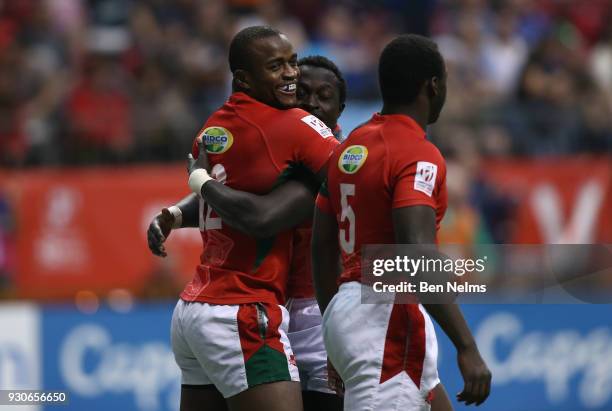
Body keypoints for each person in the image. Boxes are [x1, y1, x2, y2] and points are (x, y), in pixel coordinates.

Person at [149, 26, 339, 411]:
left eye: (291, 63)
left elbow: (233, 193)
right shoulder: (294, 128)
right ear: (244, 78)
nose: (291, 76)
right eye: (276, 67)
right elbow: (355, 182)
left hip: (195, 310)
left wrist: (187, 200)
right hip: (246, 309)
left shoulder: (211, 130)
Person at [311, 34, 491, 411]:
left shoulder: (350, 147)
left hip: (349, 309)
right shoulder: (418, 153)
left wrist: (334, 331)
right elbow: (415, 255)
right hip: (385, 316)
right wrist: (467, 347)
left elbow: (322, 245)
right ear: (433, 85)